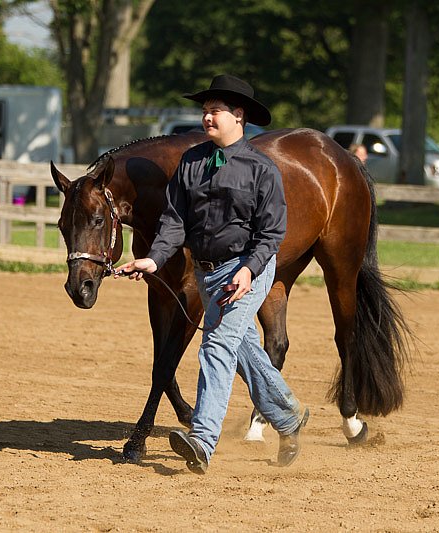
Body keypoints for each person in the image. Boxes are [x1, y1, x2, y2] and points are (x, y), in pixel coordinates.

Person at [115, 74, 308, 474]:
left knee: (217, 346)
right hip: (207, 273)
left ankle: (202, 440)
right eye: (204, 111)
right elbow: (174, 220)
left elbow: (271, 232)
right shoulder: (192, 162)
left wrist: (250, 272)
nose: (207, 117)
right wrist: (153, 259)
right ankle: (288, 417)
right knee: (240, 348)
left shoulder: (262, 169)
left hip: (246, 270)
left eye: (215, 111)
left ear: (239, 116)